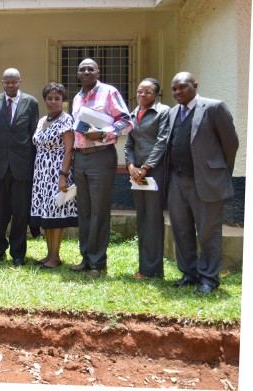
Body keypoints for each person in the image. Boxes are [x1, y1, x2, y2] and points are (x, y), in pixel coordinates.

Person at [165, 72, 239, 294]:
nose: (177, 92)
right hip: (177, 181)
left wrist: (219, 174)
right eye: (174, 89)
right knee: (181, 229)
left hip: (206, 182)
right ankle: (189, 273)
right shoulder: (172, 113)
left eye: (182, 87)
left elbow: (231, 144)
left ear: (195, 86)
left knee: (208, 231)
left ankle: (209, 278)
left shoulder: (214, 108)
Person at [70, 58, 133, 278]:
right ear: (77, 74)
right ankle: (86, 258)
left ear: (98, 72)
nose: (86, 72)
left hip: (101, 157)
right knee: (84, 211)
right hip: (81, 158)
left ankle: (98, 263)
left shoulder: (109, 92)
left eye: (90, 68)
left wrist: (104, 133)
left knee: (99, 211)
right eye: (82, 69)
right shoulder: (77, 98)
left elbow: (126, 120)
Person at [0, 68, 39, 266]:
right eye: (7, 82)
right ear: (2, 82)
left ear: (19, 82)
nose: (10, 85)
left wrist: (34, 168)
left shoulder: (31, 103)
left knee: (20, 212)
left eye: (13, 82)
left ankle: (18, 254)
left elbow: (34, 135)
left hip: (22, 167)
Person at [124, 78, 170, 279]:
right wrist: (131, 166)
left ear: (157, 95)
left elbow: (162, 141)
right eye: (140, 91)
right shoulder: (133, 114)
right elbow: (128, 144)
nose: (142, 95)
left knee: (152, 218)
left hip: (155, 171)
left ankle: (154, 270)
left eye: (148, 92)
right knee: (142, 217)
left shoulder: (163, 112)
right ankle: (145, 268)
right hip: (137, 173)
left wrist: (146, 167)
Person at [30, 82, 77, 269]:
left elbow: (69, 149)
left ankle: (55, 256)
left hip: (56, 172)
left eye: (57, 99)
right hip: (41, 174)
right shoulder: (42, 120)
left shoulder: (66, 120)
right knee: (45, 215)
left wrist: (63, 176)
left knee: (56, 213)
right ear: (45, 100)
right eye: (50, 98)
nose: (54, 102)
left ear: (63, 100)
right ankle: (49, 254)